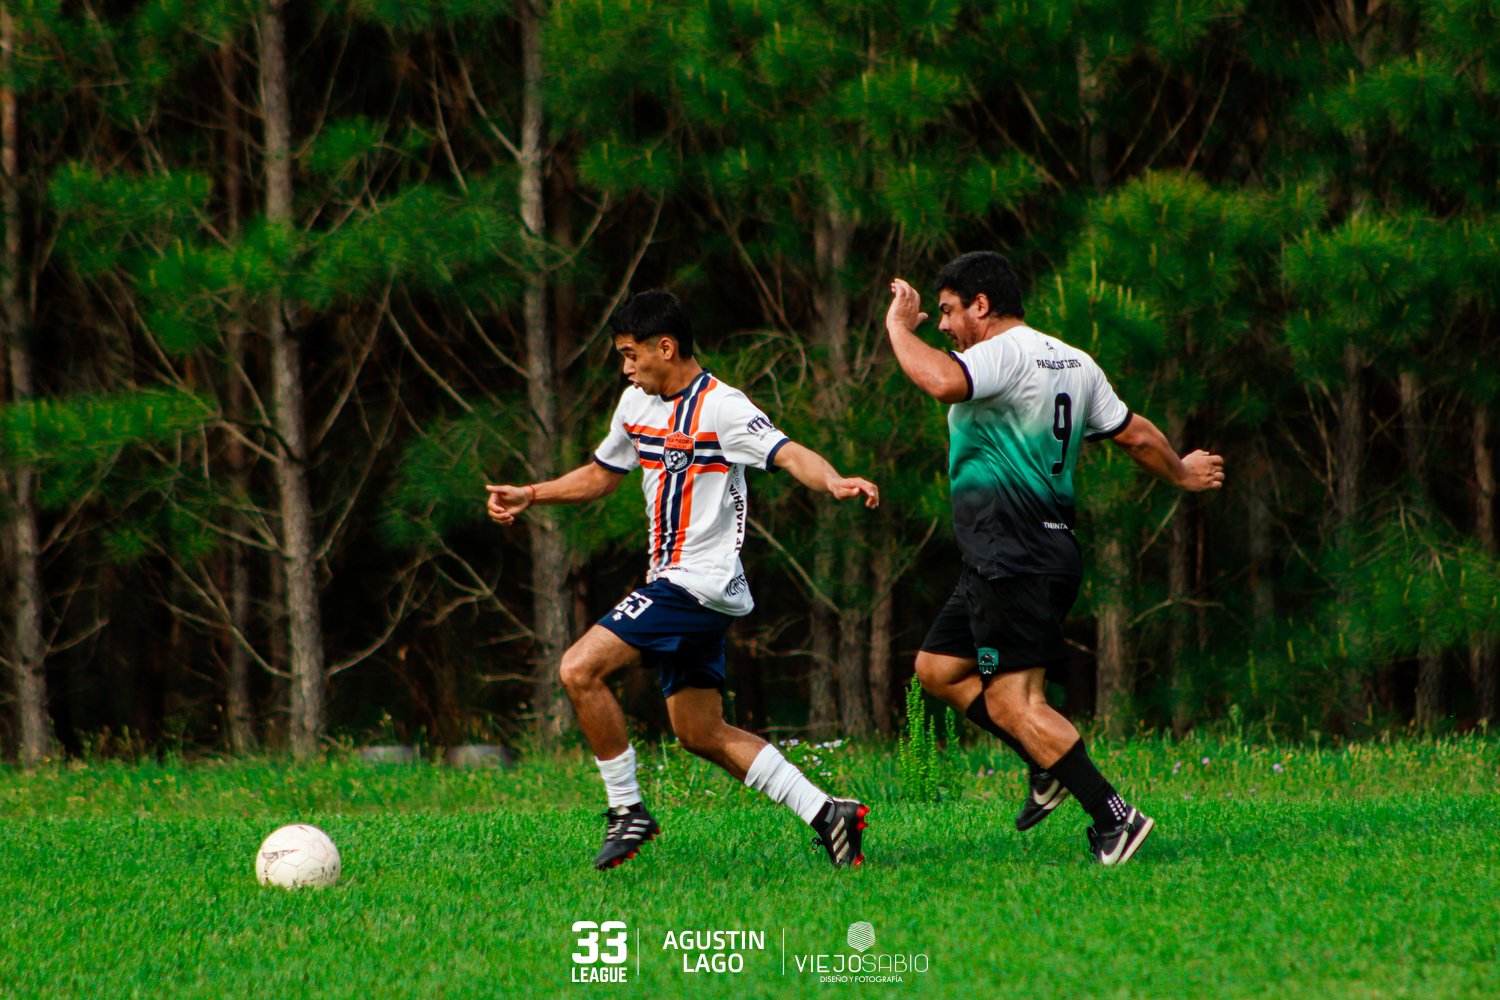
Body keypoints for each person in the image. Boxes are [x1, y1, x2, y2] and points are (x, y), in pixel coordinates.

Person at [486, 291, 880, 870]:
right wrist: (530, 494)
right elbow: (601, 475)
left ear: (665, 348)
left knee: (578, 668)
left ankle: (627, 810)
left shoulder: (723, 407)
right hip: (685, 587)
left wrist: (835, 480)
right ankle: (828, 814)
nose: (626, 368)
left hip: (695, 584)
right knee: (699, 731)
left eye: (631, 354)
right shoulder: (635, 405)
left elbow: (789, 453)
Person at [884, 252, 1225, 866]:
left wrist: (897, 328)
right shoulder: (1073, 360)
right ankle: (1047, 762)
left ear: (982, 306)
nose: (944, 325)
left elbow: (939, 381)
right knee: (938, 669)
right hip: (1035, 554)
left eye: (949, 311)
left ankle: (1113, 817)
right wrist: (1180, 471)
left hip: (1011, 557)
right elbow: (1133, 434)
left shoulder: (1000, 352)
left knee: (1015, 703)